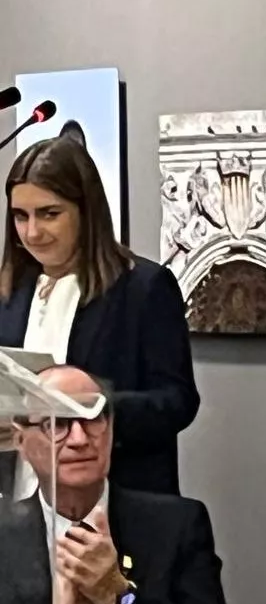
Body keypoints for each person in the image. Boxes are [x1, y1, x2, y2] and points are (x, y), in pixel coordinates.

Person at [0, 134, 200, 496]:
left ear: (86, 212)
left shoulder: (143, 288)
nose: (32, 232)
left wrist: (86, 409)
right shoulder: (9, 292)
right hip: (20, 505)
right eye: (20, 216)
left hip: (118, 500)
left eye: (49, 214)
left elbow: (177, 402)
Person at [0, 365, 226, 604]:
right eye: (57, 424)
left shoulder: (178, 525)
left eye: (92, 418)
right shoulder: (4, 534)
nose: (79, 439)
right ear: (21, 440)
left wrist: (119, 596)